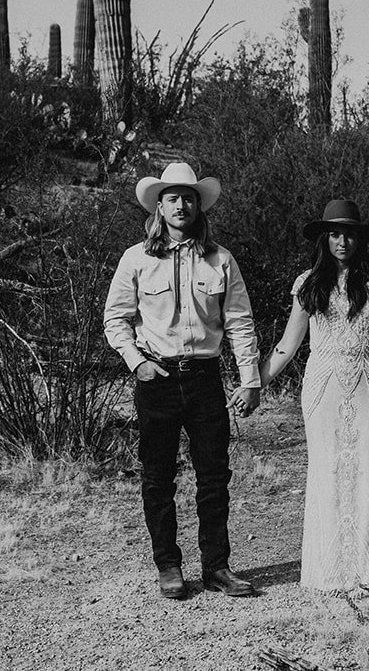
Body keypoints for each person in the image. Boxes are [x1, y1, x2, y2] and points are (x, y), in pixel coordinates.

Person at [103, 162, 262, 600]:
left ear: (198, 205)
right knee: (158, 476)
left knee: (214, 475)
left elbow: (240, 321)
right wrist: (138, 363)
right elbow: (115, 319)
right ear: (159, 206)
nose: (181, 205)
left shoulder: (220, 259)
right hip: (157, 378)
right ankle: (169, 566)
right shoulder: (136, 259)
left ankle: (217, 567)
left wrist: (249, 379)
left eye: (188, 198)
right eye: (172, 197)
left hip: (205, 379)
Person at [257, 198, 369, 592]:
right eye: (334, 234)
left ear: (360, 239)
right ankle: (326, 571)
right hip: (323, 384)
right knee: (326, 471)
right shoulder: (308, 283)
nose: (342, 241)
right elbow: (287, 345)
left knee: (365, 471)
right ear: (324, 239)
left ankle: (365, 572)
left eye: (349, 234)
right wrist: (254, 384)